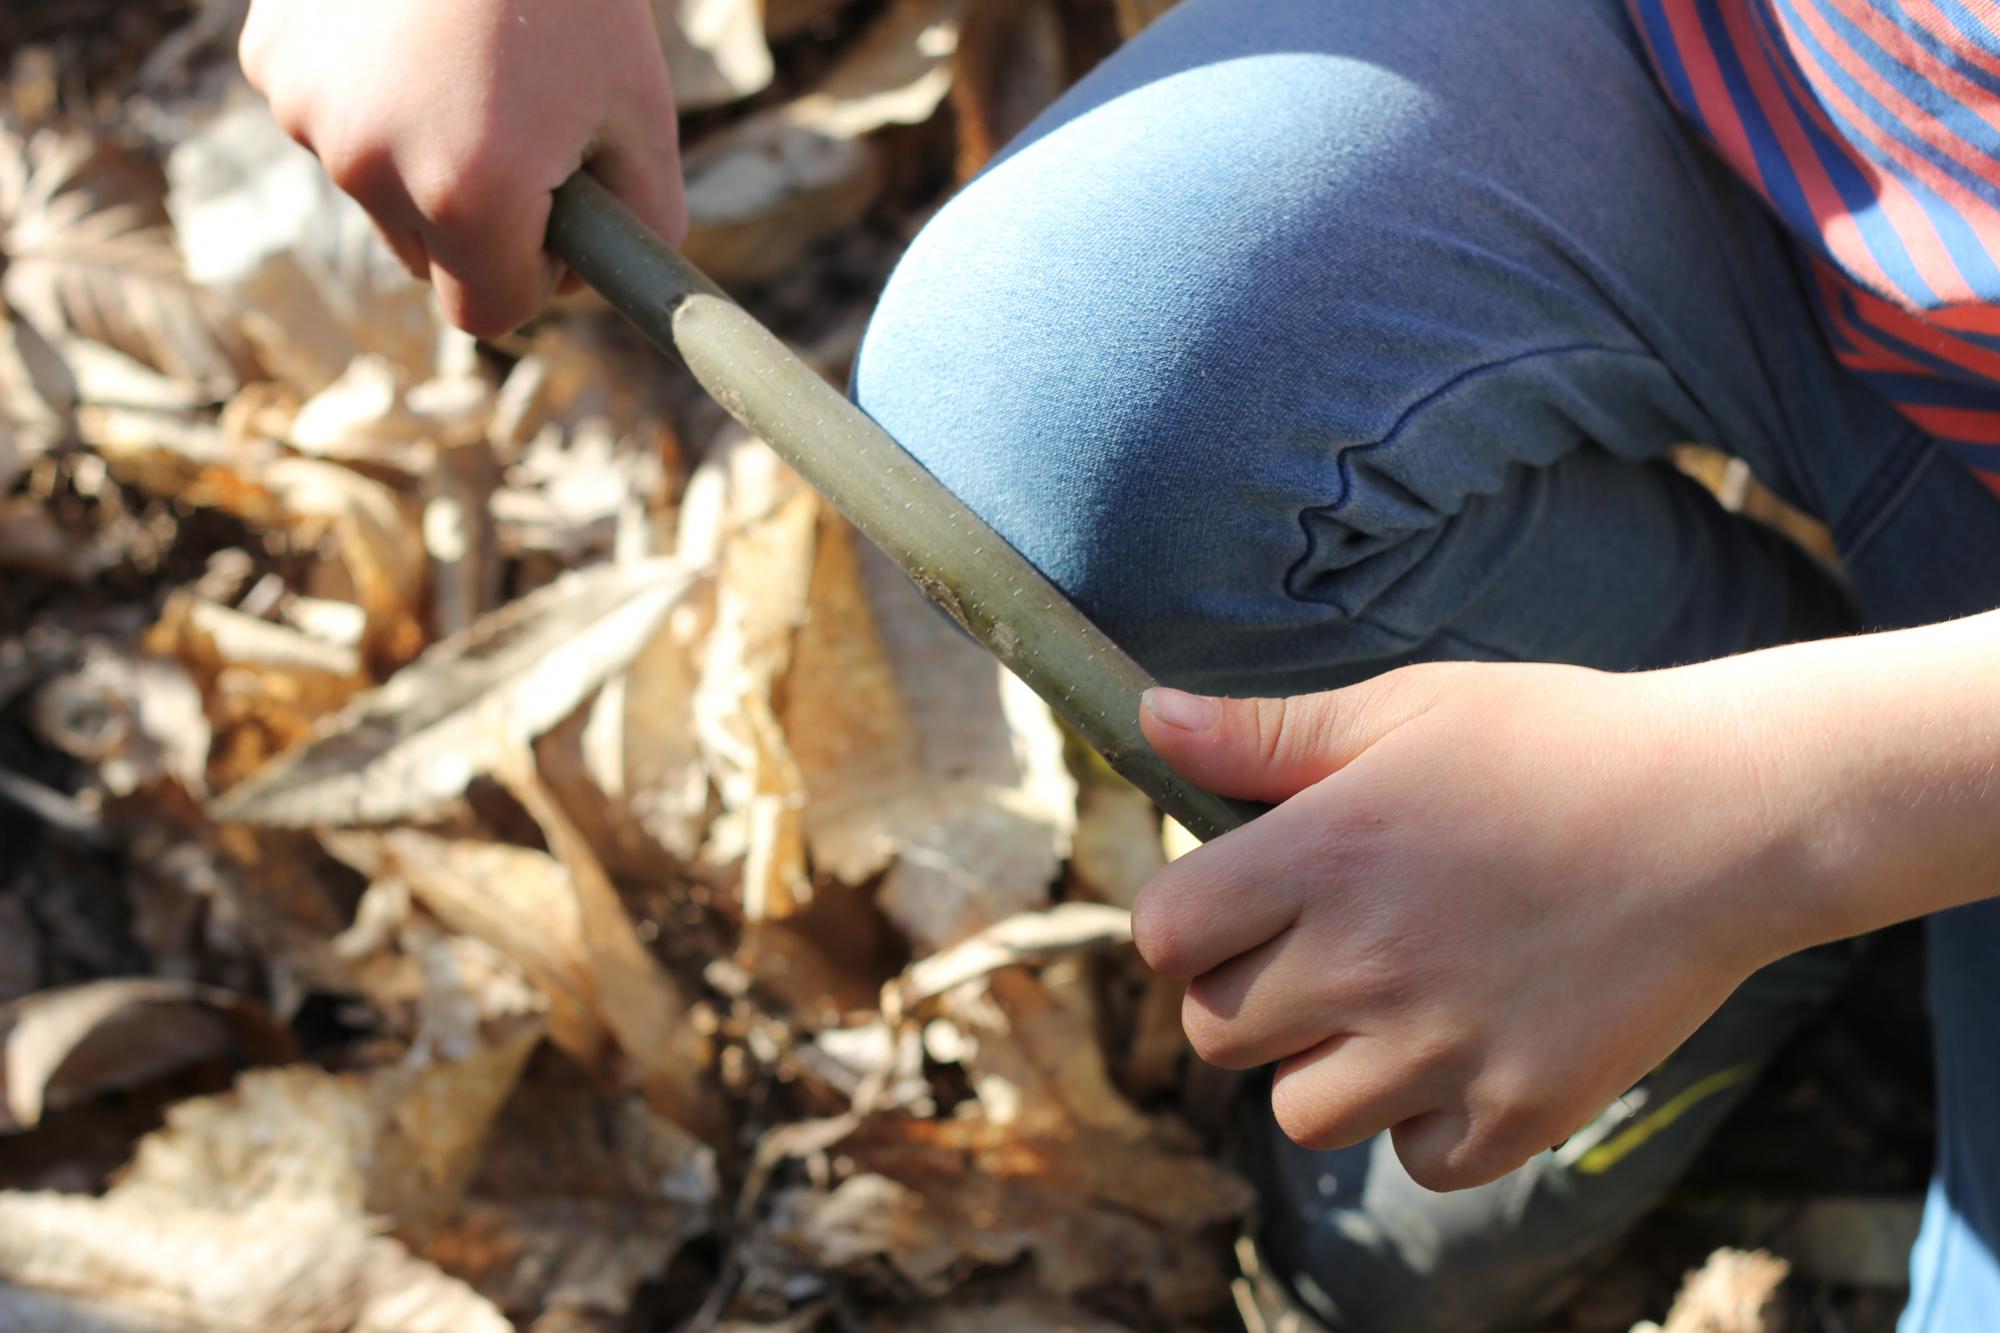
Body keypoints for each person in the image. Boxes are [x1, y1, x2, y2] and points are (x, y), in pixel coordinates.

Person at [241, 0, 2000, 1328]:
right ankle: (1686, 800)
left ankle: (1744, 878)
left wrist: (1765, 810)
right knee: (1079, 380)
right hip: (1737, 90)